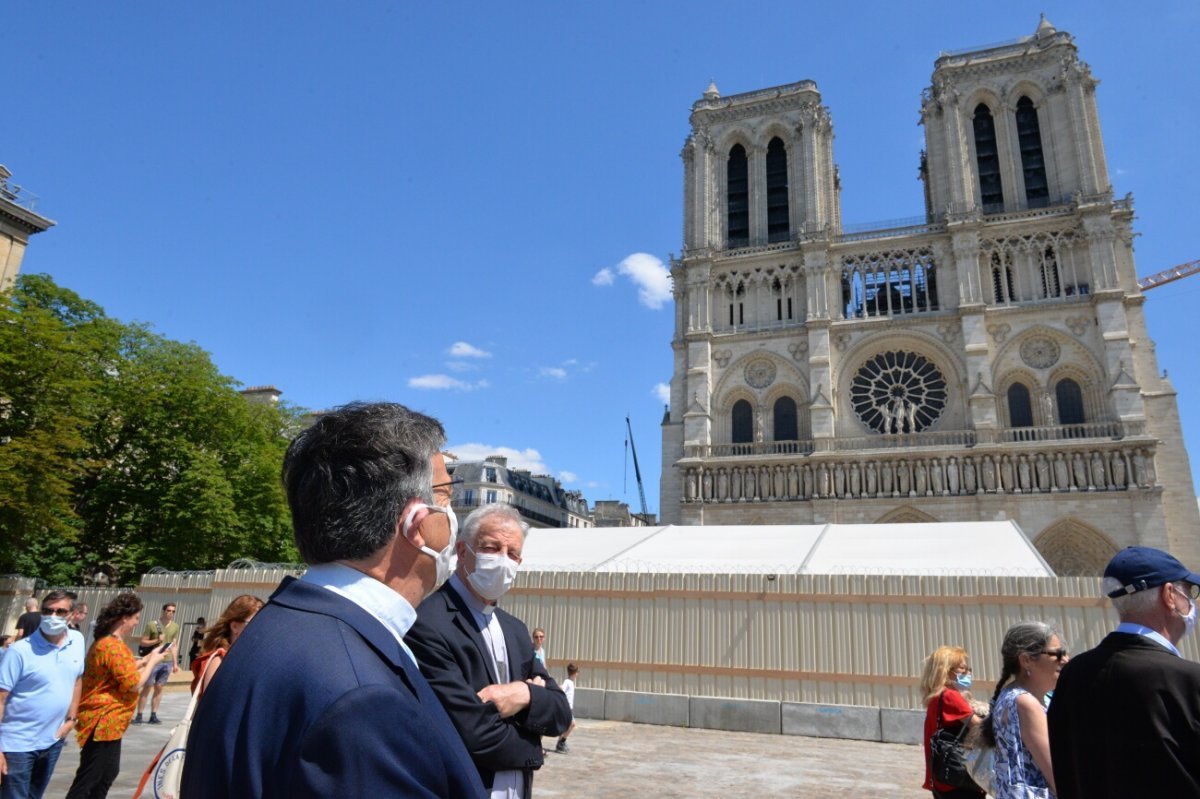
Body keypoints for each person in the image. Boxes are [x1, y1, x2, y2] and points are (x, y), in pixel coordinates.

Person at [180, 401, 485, 798]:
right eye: (445, 495)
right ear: (415, 523)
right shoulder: (363, 699)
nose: (452, 512)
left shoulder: (280, 626)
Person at [407, 502, 573, 798]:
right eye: (491, 548)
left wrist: (525, 694)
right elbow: (473, 733)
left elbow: (561, 713)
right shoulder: (428, 623)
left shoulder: (516, 630)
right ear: (462, 551)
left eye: (513, 554)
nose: (503, 560)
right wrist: (535, 743)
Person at [1048, 546, 1200, 796]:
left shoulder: (1074, 673)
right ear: (1169, 594)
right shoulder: (1187, 680)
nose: (1192, 602)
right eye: (1188, 591)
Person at [64, 592, 168, 799]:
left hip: (110, 723)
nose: (136, 623)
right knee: (90, 777)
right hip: (102, 720)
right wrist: (153, 662)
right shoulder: (112, 645)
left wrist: (145, 660)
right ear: (125, 618)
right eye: (136, 618)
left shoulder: (109, 643)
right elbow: (133, 683)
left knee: (107, 773)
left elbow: (122, 670)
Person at [0, 590, 86, 799]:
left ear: (72, 614)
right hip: (17, 744)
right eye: (48, 611)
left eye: (60, 611)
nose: (53, 617)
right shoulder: (20, 651)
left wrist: (71, 719)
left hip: (52, 740)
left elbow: (77, 679)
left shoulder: (77, 640)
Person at [980, 622, 1066, 799]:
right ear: (1026, 660)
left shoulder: (1012, 694)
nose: (1064, 660)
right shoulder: (1025, 703)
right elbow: (1059, 776)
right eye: (1056, 654)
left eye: (1064, 653)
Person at [919, 645, 984, 799]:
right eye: (962, 668)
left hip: (941, 776)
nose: (968, 672)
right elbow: (979, 726)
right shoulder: (951, 696)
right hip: (958, 780)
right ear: (946, 671)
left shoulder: (936, 696)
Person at [188, 596, 263, 695]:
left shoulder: (250, 658)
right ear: (235, 627)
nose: (260, 629)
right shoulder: (219, 660)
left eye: (263, 624)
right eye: (254, 623)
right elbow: (213, 704)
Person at [132, 603, 179, 725]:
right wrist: (157, 640)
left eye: (173, 611)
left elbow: (174, 645)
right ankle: (139, 715)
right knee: (147, 687)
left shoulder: (175, 627)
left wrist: (175, 663)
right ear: (163, 611)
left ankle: (153, 715)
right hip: (154, 660)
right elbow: (143, 642)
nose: (171, 613)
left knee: (159, 687)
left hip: (167, 661)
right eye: (169, 610)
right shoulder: (152, 625)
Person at [554, 663, 579, 754]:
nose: (577, 674)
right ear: (575, 673)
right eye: (577, 672)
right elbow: (562, 688)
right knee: (572, 724)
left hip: (569, 708)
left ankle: (561, 742)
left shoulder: (571, 682)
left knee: (568, 726)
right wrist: (557, 687)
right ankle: (561, 742)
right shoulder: (567, 682)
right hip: (566, 708)